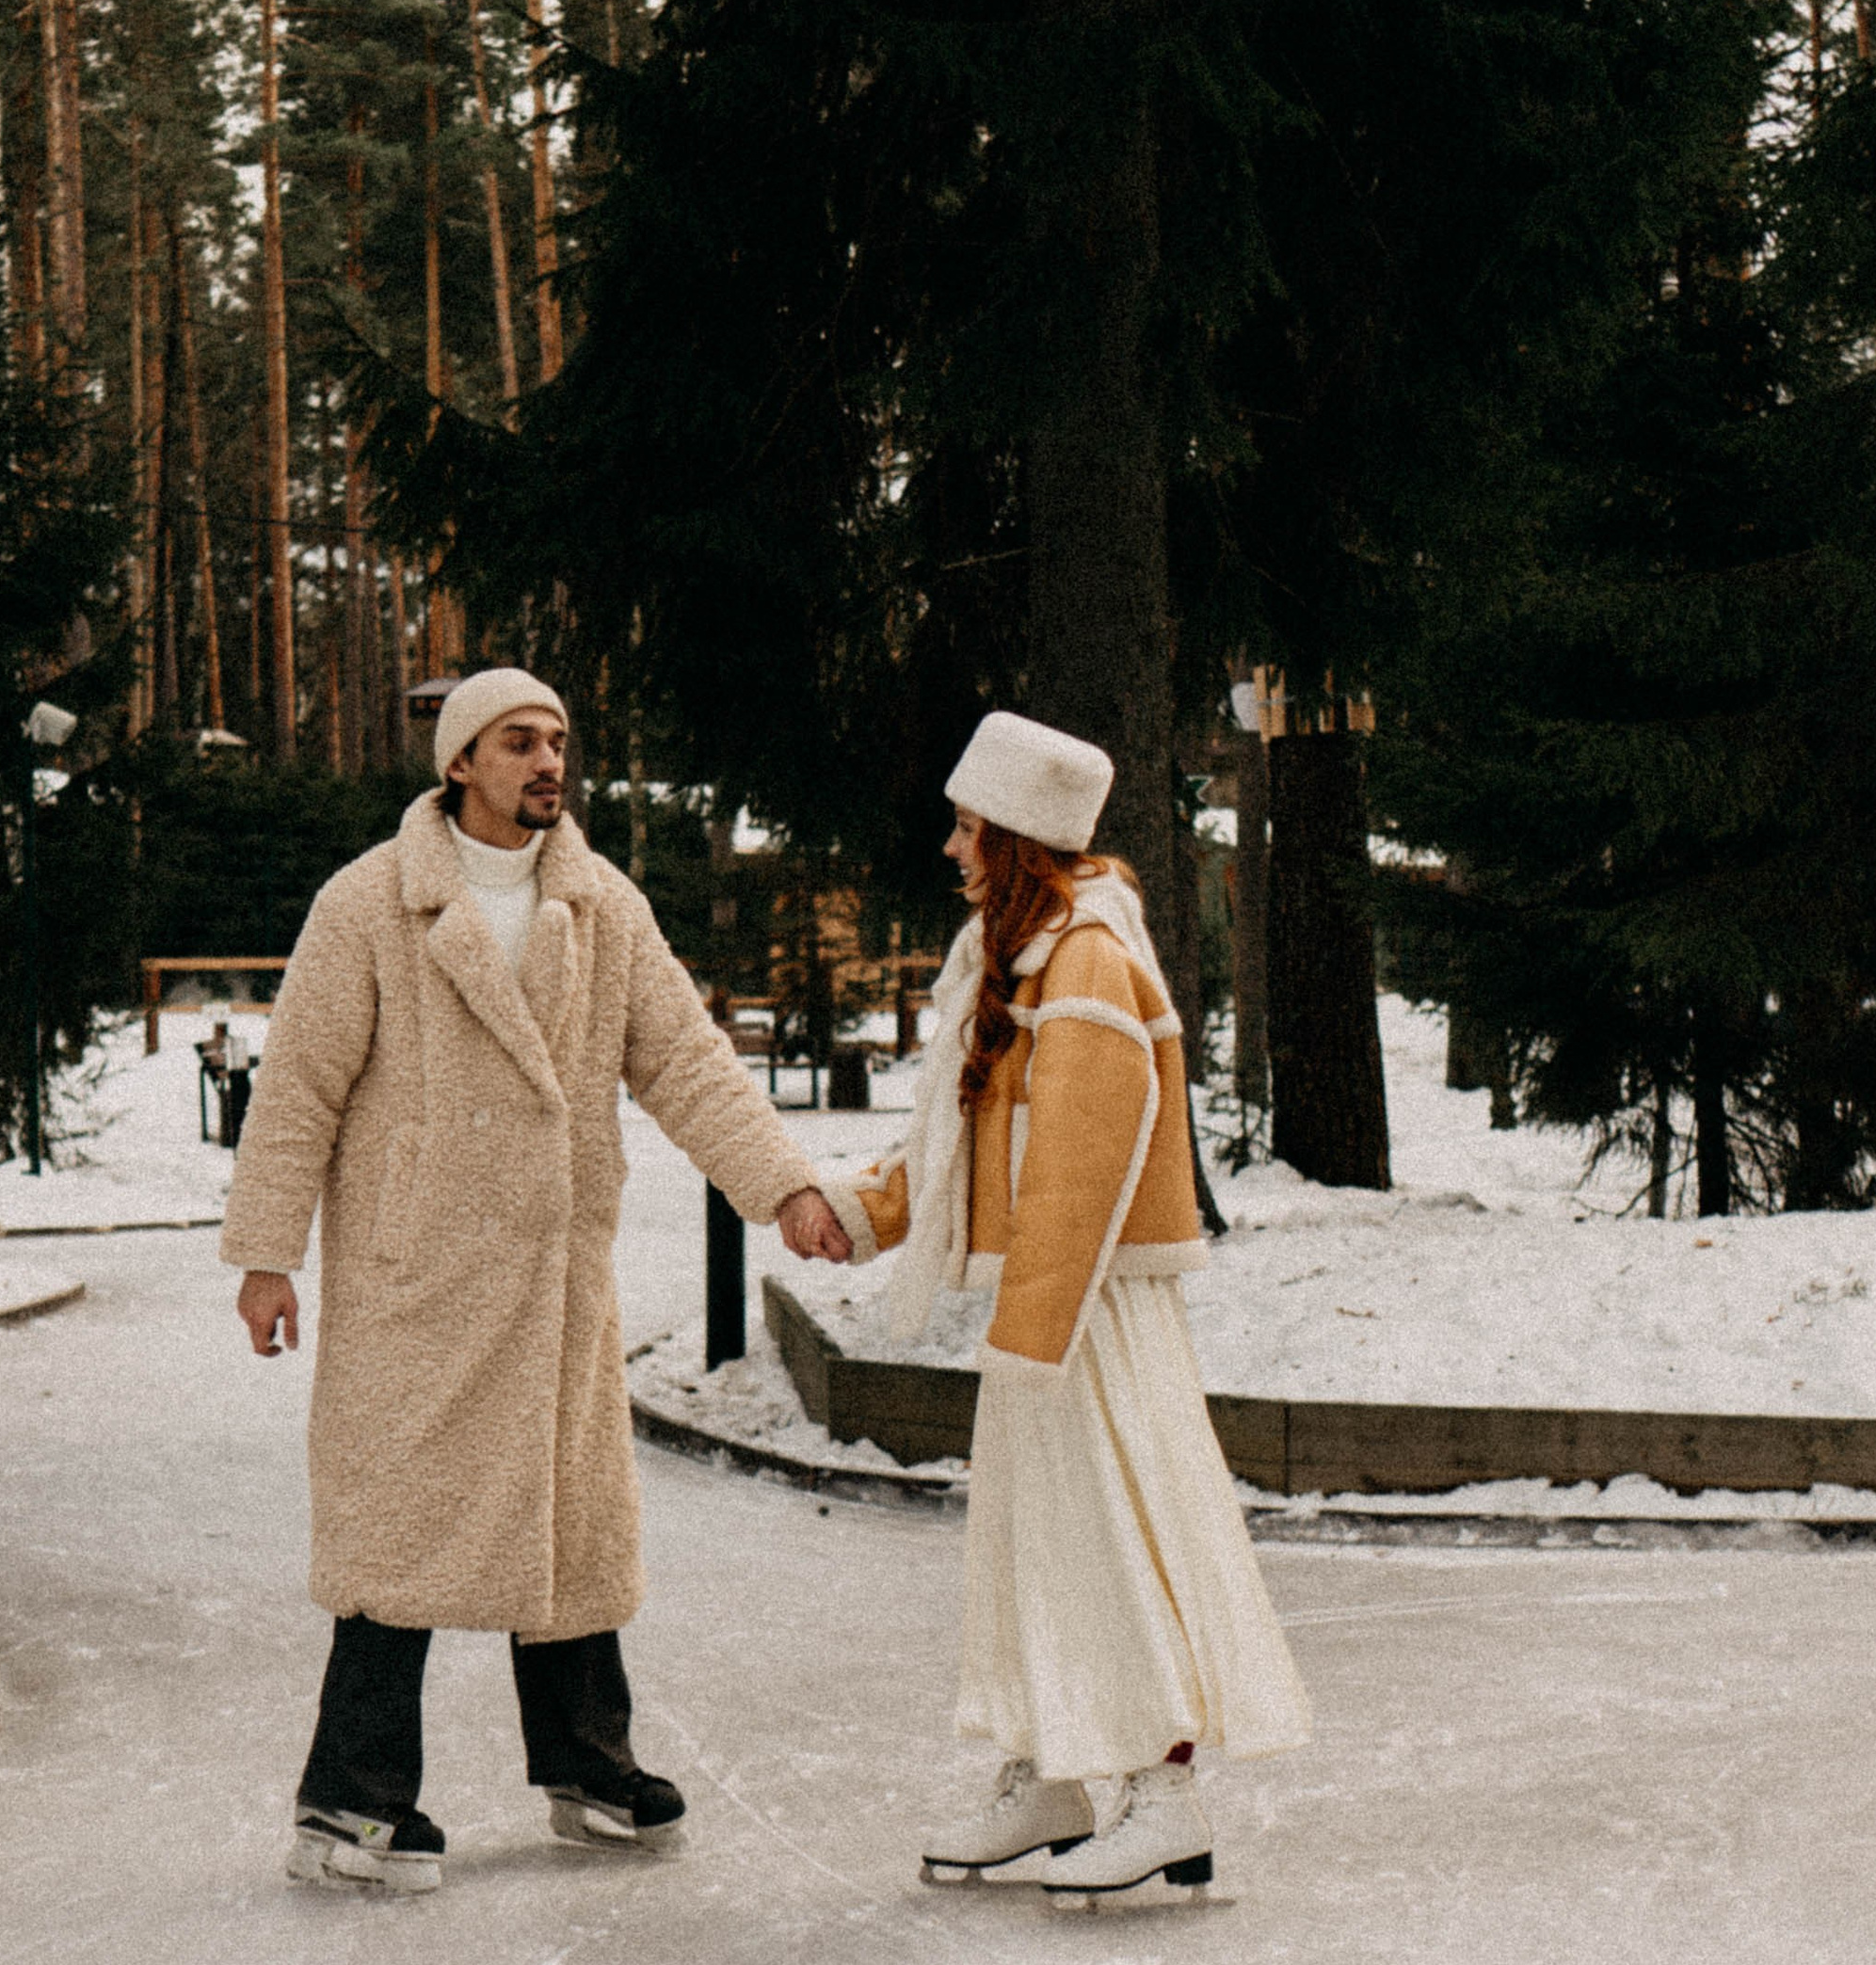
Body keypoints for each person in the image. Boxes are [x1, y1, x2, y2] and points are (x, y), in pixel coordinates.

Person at [221, 666, 852, 1894]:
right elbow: (295, 1087)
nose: (548, 760)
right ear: (462, 763)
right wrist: (264, 1257)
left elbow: (688, 1063)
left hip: (556, 1276)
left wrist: (785, 1188)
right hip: (419, 1276)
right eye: (519, 742)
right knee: (397, 1525)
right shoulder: (372, 904)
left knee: (569, 1521)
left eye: (558, 740)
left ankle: (587, 1765)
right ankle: (348, 1799)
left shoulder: (600, 904)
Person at [819, 711, 1310, 1900]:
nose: (950, 846)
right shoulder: (1021, 949)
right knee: (1034, 1544)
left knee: (1106, 1538)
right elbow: (967, 1132)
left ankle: (1161, 1787)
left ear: (1018, 836)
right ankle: (1052, 1769)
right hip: (1048, 1311)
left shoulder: (1088, 956)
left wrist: (1031, 1331)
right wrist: (864, 1210)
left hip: (1085, 1313)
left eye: (966, 824)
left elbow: (1085, 1163)